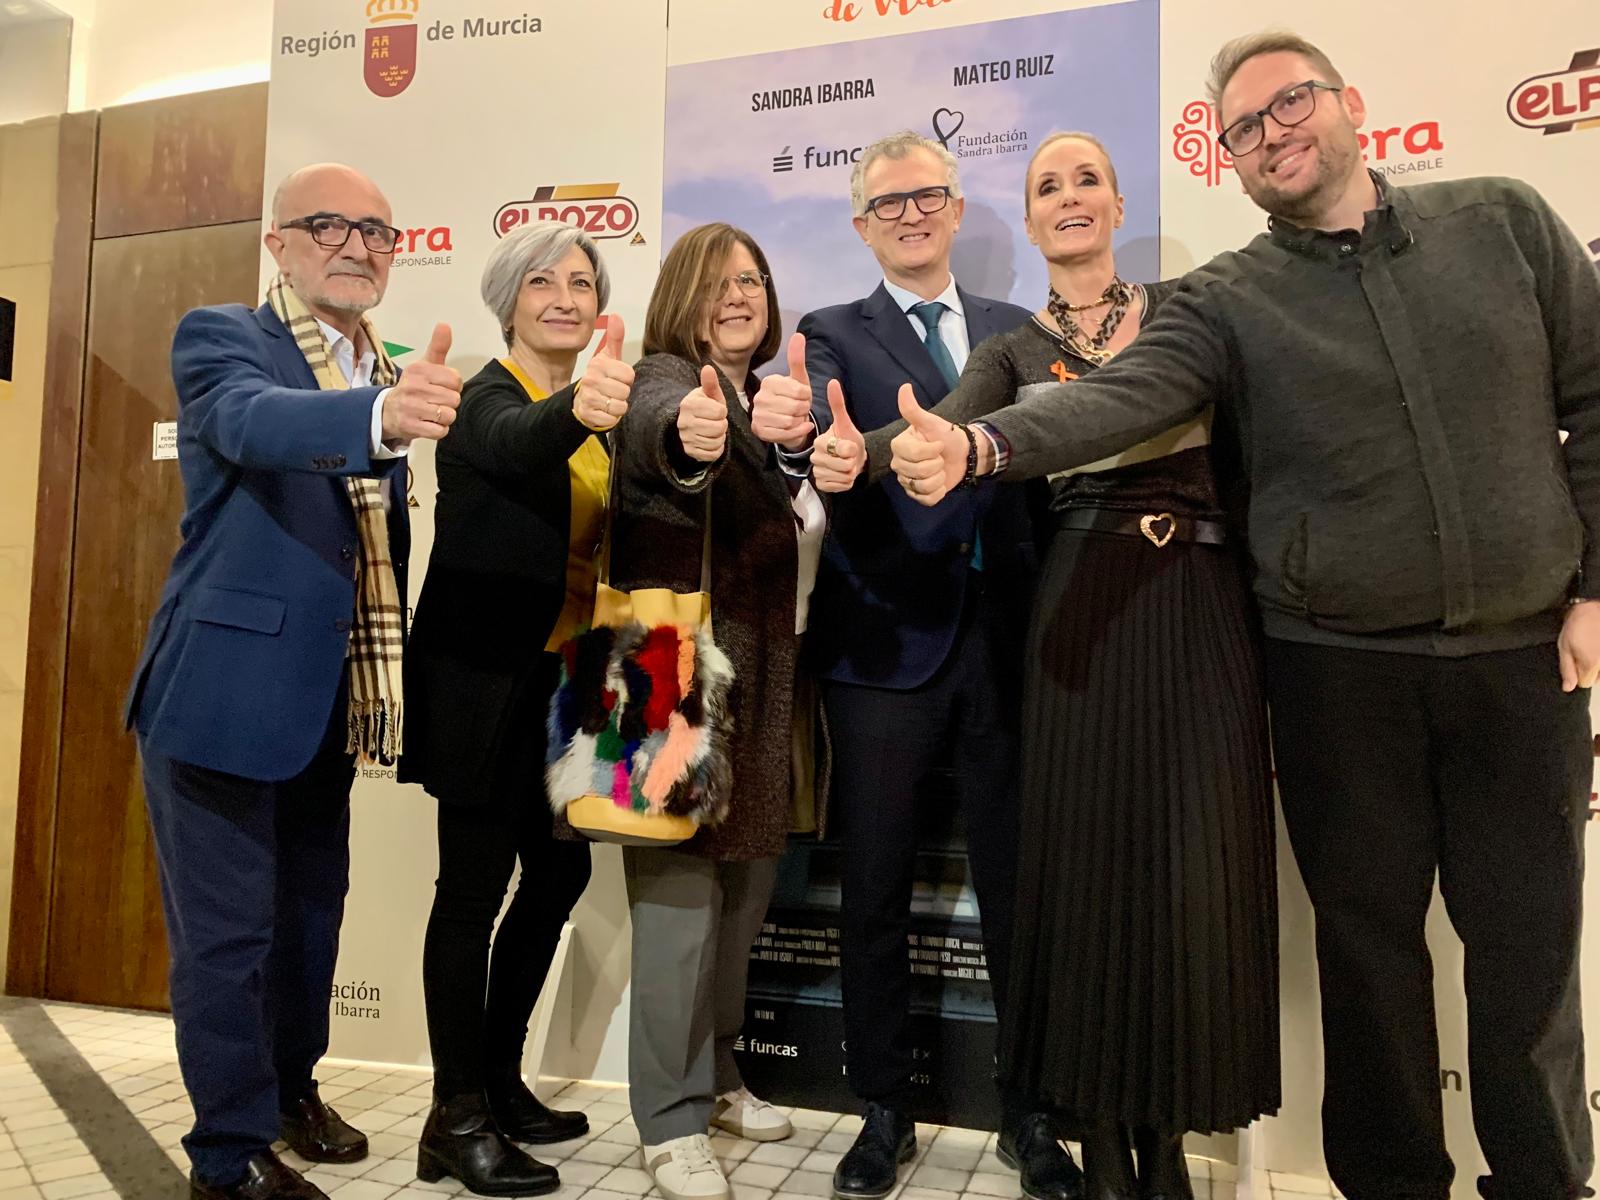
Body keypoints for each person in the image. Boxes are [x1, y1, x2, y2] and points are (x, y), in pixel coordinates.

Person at [887, 32, 1600, 1200]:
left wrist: (1595, 588)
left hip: (1522, 661)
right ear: (1224, 162)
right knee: (1366, 959)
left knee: (1528, 963)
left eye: (1290, 105)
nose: (1272, 134)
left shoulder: (1506, 221)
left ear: (1351, 105)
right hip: (1334, 671)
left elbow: (1594, 397)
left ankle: (1541, 1183)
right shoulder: (1225, 298)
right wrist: (981, 442)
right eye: (1242, 129)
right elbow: (1118, 397)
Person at [815, 130, 1280, 1198]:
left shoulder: (1192, 309)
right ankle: (1105, 1137)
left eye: (1085, 179)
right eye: (1046, 187)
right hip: (1078, 624)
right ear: (1024, 223)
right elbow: (940, 430)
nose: (1068, 198)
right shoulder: (1016, 348)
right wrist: (854, 456)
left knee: (1187, 883)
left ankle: (1169, 1134)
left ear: (1118, 202)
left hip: (1198, 618)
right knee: (1082, 888)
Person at [124, 163, 462, 1200]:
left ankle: (288, 1094)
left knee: (312, 920)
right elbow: (249, 423)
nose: (356, 244)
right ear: (278, 243)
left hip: (326, 698)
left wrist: (389, 408)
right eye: (328, 225)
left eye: (377, 229)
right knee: (228, 942)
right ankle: (227, 1161)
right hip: (220, 693)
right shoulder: (223, 337)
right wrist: (377, 422)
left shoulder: (387, 364)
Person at [761, 129, 1075, 1200]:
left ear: (952, 209)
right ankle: (880, 1109)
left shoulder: (1018, 330)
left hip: (1013, 645)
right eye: (887, 203)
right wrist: (831, 457)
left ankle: (1031, 1109)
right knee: (876, 891)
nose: (909, 213)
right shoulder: (829, 333)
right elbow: (826, 444)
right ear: (860, 226)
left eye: (926, 196)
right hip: (882, 646)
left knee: (1018, 889)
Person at [399, 221, 634, 1197]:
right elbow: (517, 442)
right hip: (484, 680)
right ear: (510, 297)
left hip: (572, 684)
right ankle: (453, 1116)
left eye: (583, 282)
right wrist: (583, 404)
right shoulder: (481, 396)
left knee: (558, 879)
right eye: (544, 282)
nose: (566, 298)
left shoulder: (601, 409)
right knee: (470, 892)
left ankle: (497, 1082)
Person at [607, 222, 828, 1200]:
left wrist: (786, 447)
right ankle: (666, 1117)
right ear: (680, 297)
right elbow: (667, 442)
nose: (740, 294)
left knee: (740, 901)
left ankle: (722, 1074)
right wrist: (696, 437)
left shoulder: (770, 403)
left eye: (753, 278)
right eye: (717, 280)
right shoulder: (663, 379)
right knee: (678, 908)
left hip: (766, 679)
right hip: (673, 681)